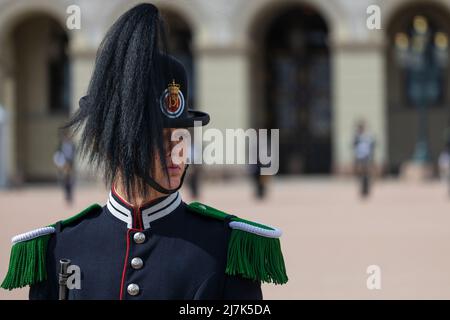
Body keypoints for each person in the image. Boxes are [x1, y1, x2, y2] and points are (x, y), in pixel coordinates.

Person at [1, 3, 287, 300]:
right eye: (158, 138)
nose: (178, 152)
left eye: (181, 136)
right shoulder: (59, 248)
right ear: (113, 141)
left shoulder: (225, 249)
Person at [353, 120, 375, 198]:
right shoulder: (357, 137)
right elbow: (354, 147)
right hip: (360, 157)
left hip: (367, 157)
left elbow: (372, 147)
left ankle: (367, 190)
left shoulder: (368, 136)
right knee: (360, 174)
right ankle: (362, 190)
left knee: (367, 174)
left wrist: (372, 158)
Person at [53, 131, 76, 205]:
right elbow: (57, 155)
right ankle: (67, 194)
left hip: (70, 163)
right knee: (65, 180)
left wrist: (70, 163)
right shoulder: (60, 145)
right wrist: (61, 163)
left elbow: (73, 154)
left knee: (70, 180)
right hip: (63, 163)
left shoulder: (72, 145)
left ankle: (70, 194)